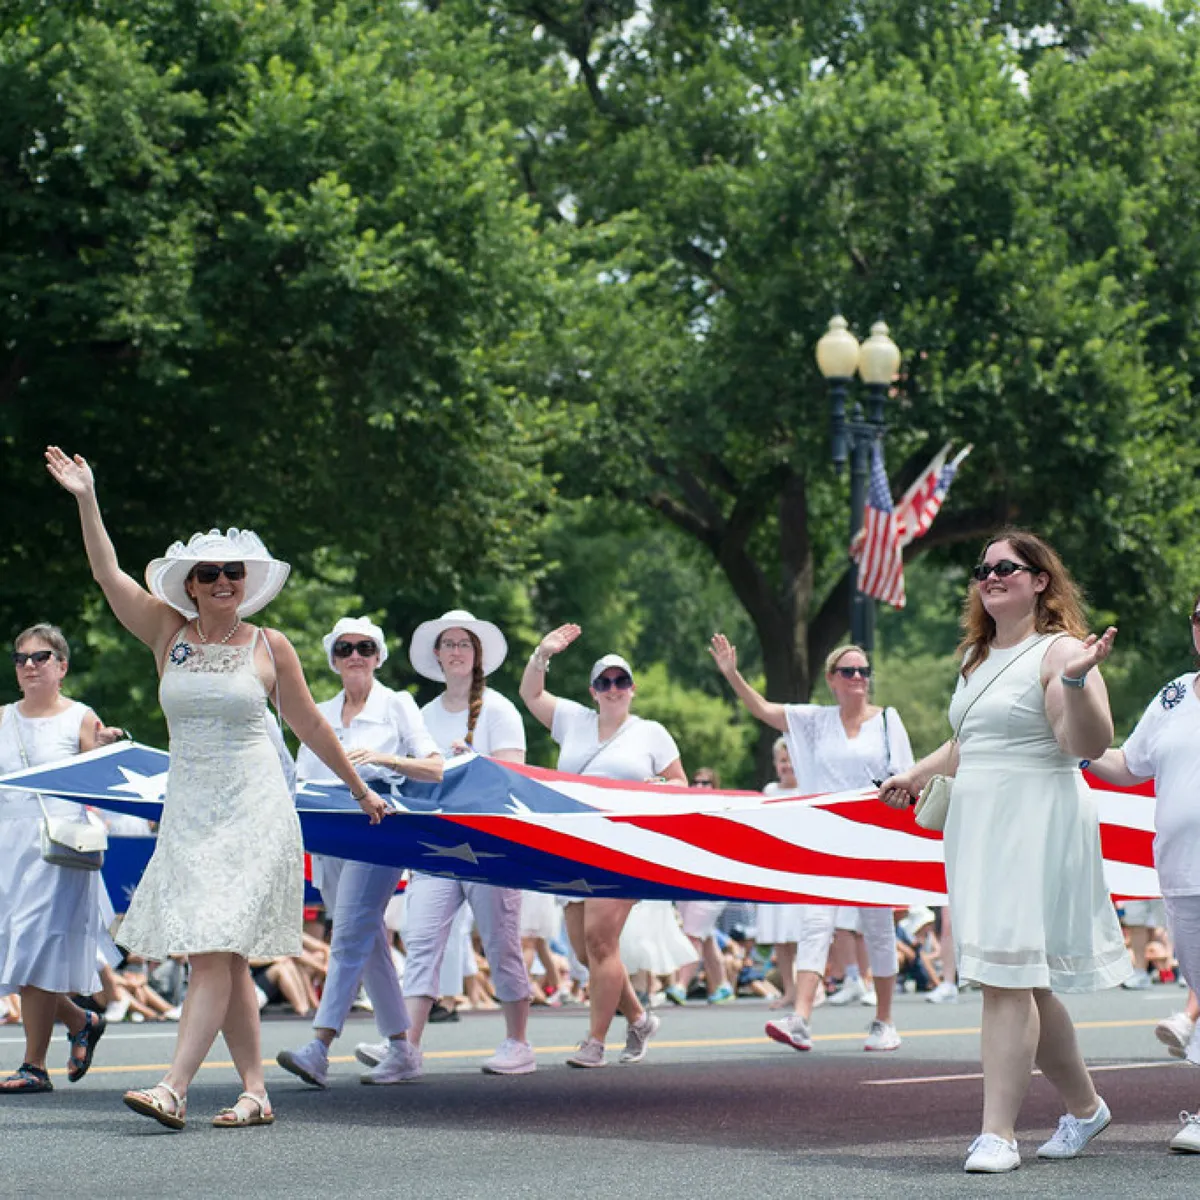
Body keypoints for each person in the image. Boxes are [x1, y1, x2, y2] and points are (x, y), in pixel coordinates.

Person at [45, 446, 388, 1131]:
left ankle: (173, 1086)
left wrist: (357, 787)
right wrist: (88, 498)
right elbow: (106, 573)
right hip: (193, 808)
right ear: (191, 585)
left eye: (235, 572)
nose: (226, 580)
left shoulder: (270, 645)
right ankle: (257, 1091)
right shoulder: (165, 632)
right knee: (223, 956)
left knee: (214, 947)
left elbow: (310, 724)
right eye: (212, 573)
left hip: (256, 804)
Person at [879, 529, 1128, 1173]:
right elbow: (966, 743)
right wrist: (913, 773)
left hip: (1035, 817)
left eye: (1006, 567)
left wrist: (1075, 682)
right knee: (1020, 980)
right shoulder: (975, 657)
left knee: (1006, 978)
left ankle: (998, 1134)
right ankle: (1085, 1108)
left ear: (1040, 579)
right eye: (983, 568)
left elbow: (1087, 742)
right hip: (980, 820)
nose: (990, 577)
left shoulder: (1061, 651)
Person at [711, 635, 913, 1053]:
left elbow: (907, 774)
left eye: (863, 672)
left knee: (877, 928)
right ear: (831, 679)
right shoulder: (816, 720)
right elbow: (765, 711)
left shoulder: (888, 720)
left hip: (875, 835)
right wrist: (733, 675)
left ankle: (885, 1019)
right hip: (829, 833)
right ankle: (801, 1017)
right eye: (848, 671)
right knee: (816, 922)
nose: (858, 678)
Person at [276, 617, 442, 1089]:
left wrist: (384, 760)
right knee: (366, 939)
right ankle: (403, 1048)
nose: (355, 655)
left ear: (377, 656)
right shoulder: (320, 712)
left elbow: (434, 768)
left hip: (378, 829)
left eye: (365, 648)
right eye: (345, 648)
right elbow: (301, 779)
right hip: (330, 833)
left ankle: (320, 1046)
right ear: (333, 659)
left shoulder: (398, 705)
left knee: (348, 930)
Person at [520, 627, 685, 1067]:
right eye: (604, 682)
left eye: (621, 681)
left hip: (624, 843)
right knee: (583, 950)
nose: (613, 689)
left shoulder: (651, 732)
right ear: (593, 690)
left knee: (600, 940)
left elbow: (682, 784)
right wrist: (543, 653)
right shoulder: (573, 719)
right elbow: (531, 695)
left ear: (632, 688)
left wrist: (661, 786)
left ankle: (595, 1042)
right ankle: (638, 1018)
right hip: (576, 842)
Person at [380, 610, 535, 1076]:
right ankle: (406, 1049)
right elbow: (409, 777)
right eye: (448, 644)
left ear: (477, 654)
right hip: (437, 842)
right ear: (437, 655)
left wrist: (474, 762)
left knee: (501, 942)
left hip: (490, 842)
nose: (456, 651)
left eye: (464, 644)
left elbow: (514, 776)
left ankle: (518, 1042)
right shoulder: (423, 715)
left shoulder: (500, 709)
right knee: (422, 940)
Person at [1087, 590, 1200, 1152]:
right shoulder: (1176, 694)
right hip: (1181, 872)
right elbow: (1129, 765)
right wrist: (1081, 749)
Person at [0, 623, 125, 1094]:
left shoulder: (80, 717)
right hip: (10, 851)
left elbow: (104, 775)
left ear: (62, 666)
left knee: (33, 947)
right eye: (21, 658)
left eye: (41, 657)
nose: (30, 665)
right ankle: (80, 1019)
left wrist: (110, 743)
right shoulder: (2, 718)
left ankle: (33, 1066)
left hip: (60, 851)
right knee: (23, 951)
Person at [756, 737, 807, 1010]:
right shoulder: (769, 791)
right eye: (783, 761)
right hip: (775, 867)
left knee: (801, 932)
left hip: (802, 869)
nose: (788, 766)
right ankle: (789, 989)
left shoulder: (809, 789)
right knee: (781, 935)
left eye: (792, 760)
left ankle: (809, 989)